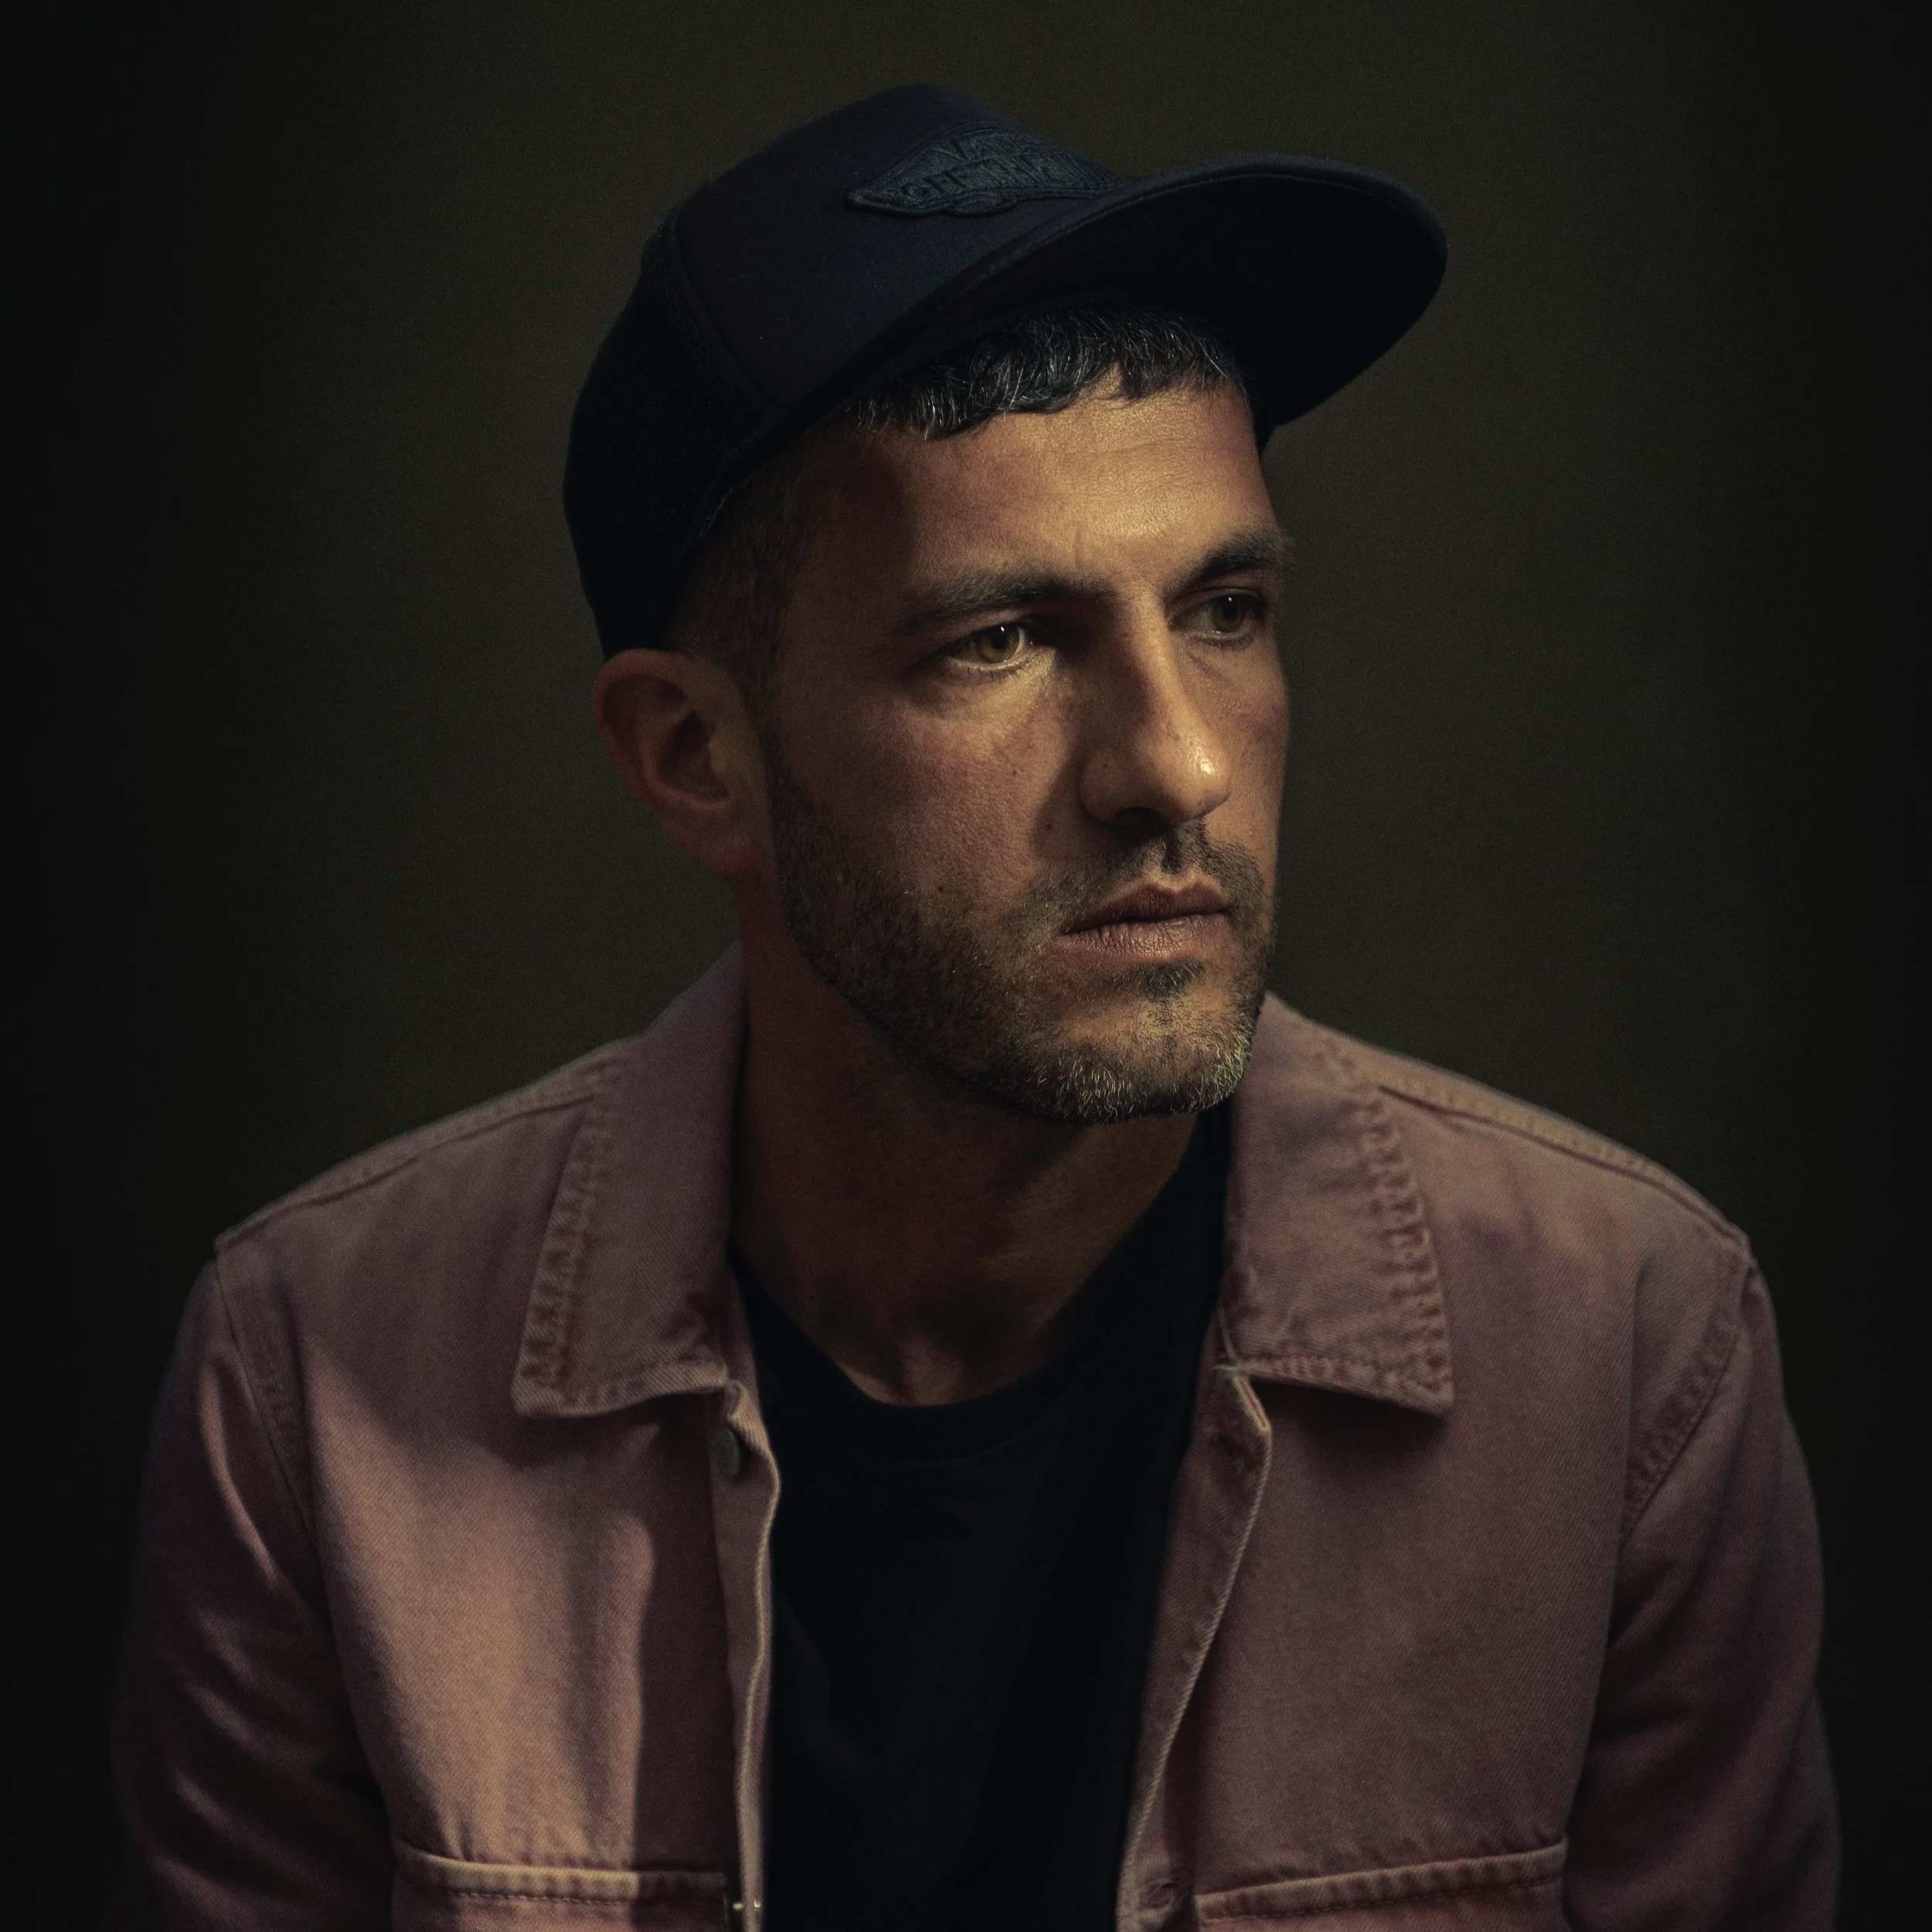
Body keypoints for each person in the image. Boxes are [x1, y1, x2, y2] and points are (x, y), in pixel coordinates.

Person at [111, 85, 1835, 1930]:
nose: (1173, 762)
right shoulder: (314, 1375)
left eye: (1228, 606)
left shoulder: (1621, 1348)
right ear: (695, 755)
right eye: (996, 640)